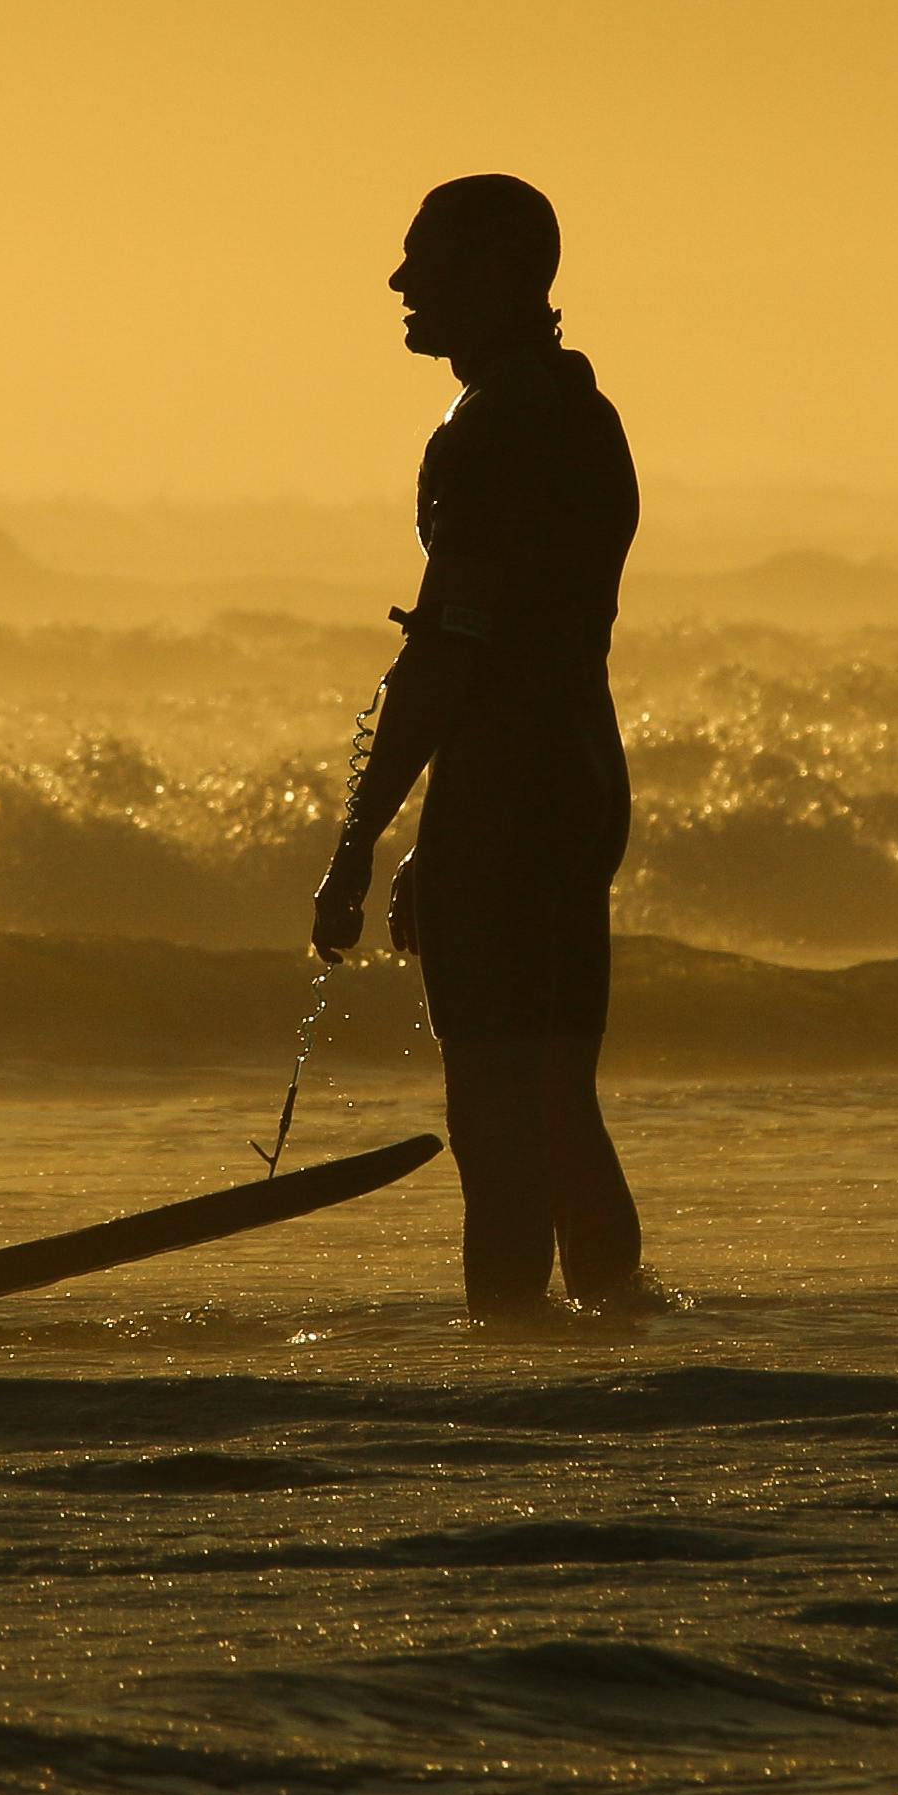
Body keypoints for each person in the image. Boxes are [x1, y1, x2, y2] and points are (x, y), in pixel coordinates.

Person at [311, 174, 648, 1318]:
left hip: (510, 788)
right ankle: (617, 1328)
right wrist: (438, 834)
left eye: (428, 262)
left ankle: (509, 1366)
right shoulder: (583, 413)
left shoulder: (488, 427)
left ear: (499, 276)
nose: (403, 283)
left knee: (493, 1106)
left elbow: (451, 653)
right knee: (560, 1095)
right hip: (582, 778)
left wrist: (359, 839)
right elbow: (529, 639)